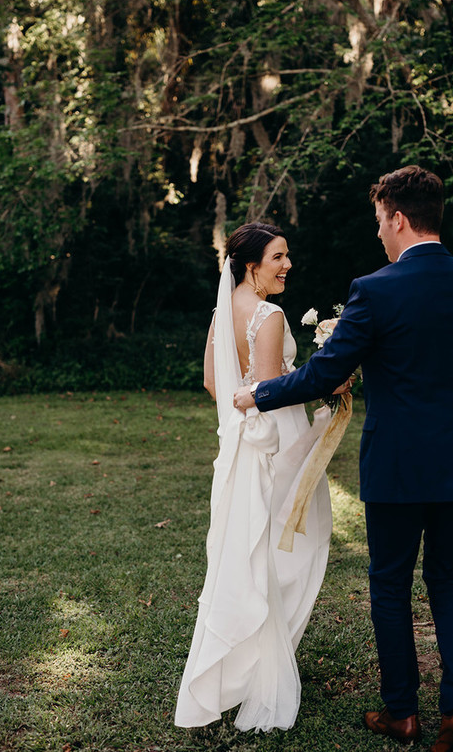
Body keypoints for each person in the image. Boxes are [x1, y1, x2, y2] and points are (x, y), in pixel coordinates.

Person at [234, 166, 453, 751]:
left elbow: (326, 373)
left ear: (399, 219)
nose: (379, 234)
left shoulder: (376, 289)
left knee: (389, 583)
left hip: (398, 465)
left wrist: (258, 392)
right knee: (450, 578)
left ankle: (402, 714)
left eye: (380, 222)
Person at [174, 222, 333, 733]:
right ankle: (264, 668)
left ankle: (245, 662)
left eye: (287, 256)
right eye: (278, 257)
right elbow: (270, 389)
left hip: (239, 442)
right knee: (289, 551)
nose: (287, 265)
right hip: (275, 442)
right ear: (251, 264)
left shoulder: (224, 311)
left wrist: (241, 418)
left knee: (247, 552)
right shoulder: (268, 314)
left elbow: (211, 382)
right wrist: (327, 380)